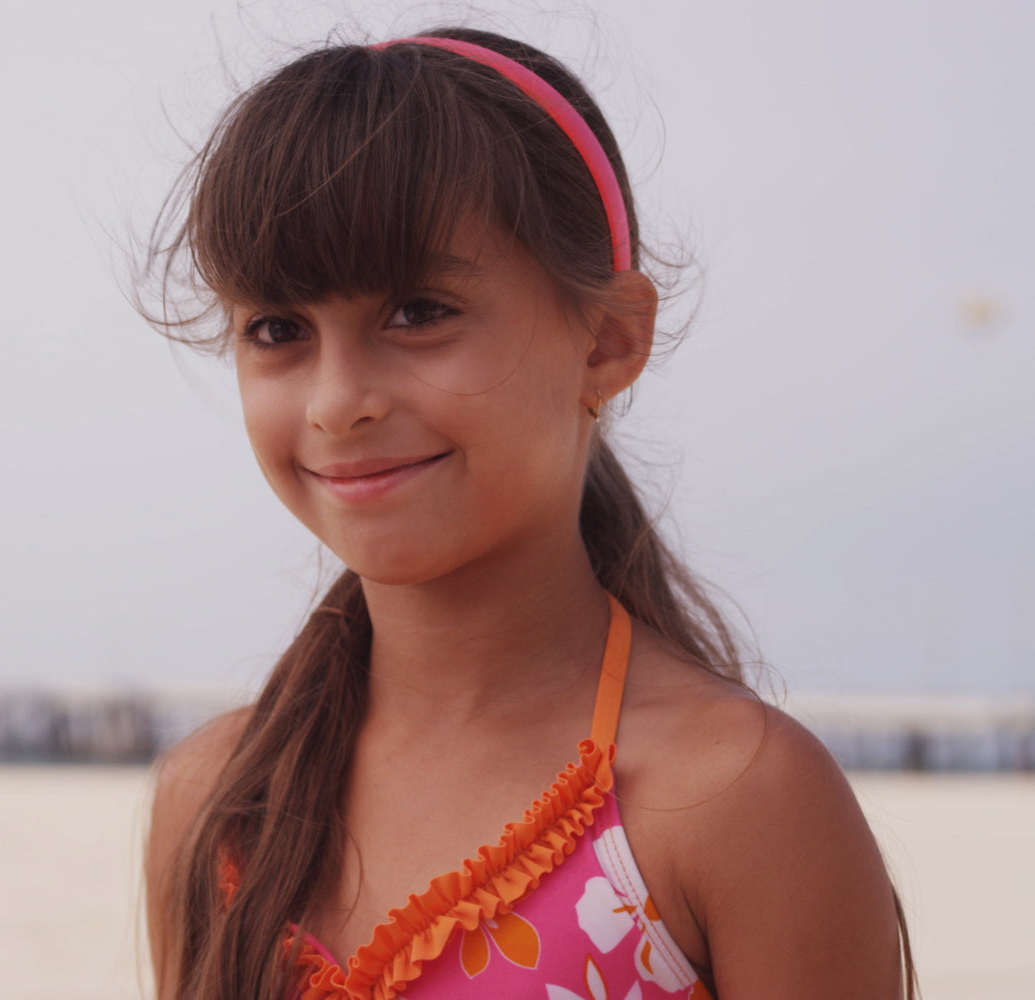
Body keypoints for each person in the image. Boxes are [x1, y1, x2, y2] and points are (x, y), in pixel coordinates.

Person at [140, 27, 914, 1000]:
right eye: (277, 330)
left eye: (418, 311)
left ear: (606, 342)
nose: (338, 401)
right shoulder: (216, 806)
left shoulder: (730, 797)